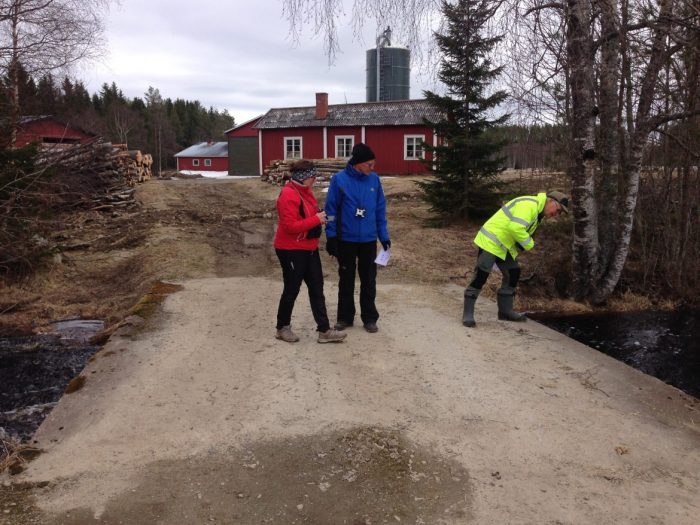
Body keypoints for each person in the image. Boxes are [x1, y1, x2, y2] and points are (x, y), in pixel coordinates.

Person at [462, 190, 569, 327]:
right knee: (481, 275)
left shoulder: (538, 213)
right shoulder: (529, 205)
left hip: (504, 244)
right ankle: (468, 314)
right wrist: (529, 243)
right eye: (558, 210)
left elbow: (518, 231)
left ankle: (505, 312)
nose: (557, 214)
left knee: (513, 272)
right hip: (491, 240)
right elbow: (515, 228)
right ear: (550, 201)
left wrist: (522, 244)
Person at [273, 160, 347, 344]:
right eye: (312, 176)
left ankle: (324, 330)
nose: (315, 179)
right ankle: (282, 327)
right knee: (292, 288)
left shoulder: (307, 192)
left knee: (316, 288)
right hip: (290, 249)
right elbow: (290, 226)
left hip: (309, 248)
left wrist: (325, 217)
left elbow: (311, 215)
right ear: (302, 177)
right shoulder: (288, 195)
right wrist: (315, 219)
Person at [325, 143, 390, 333]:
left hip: (368, 240)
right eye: (369, 164)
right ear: (358, 163)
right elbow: (330, 210)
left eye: (373, 164)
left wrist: (383, 236)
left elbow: (380, 210)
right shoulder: (339, 180)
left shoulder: (374, 181)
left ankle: (369, 318)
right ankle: (345, 317)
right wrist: (331, 236)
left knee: (369, 280)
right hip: (346, 239)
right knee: (346, 279)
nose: (373, 168)